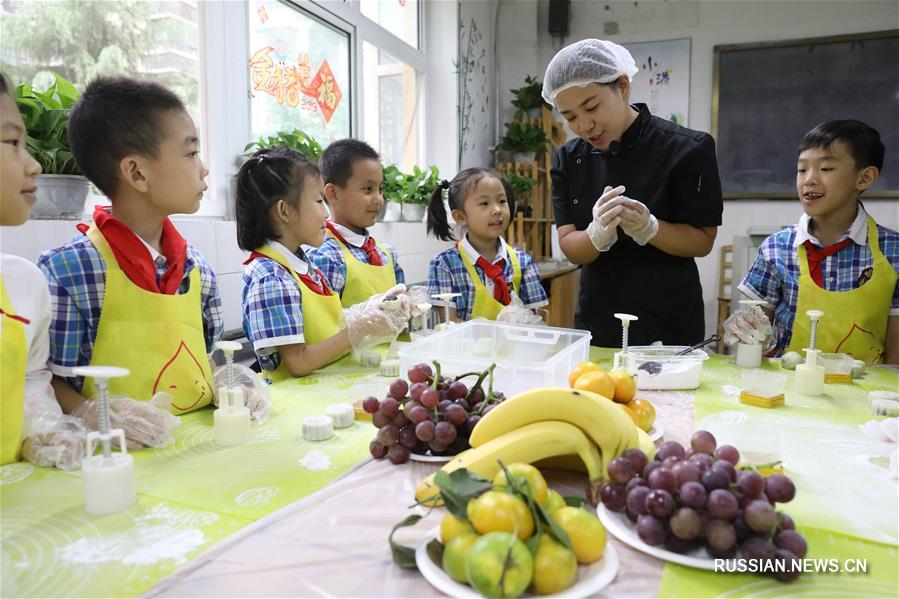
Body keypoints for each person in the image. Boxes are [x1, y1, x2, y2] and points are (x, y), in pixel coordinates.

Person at [37, 76, 219, 447]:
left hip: (201, 456)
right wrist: (91, 413)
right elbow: (45, 380)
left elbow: (203, 360)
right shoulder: (68, 274)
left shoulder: (197, 270)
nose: (204, 169)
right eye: (190, 153)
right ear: (137, 173)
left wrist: (229, 386)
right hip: (113, 462)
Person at [543, 39, 723, 346]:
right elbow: (570, 246)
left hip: (669, 323)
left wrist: (650, 228)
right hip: (599, 321)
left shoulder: (687, 149)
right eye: (570, 117)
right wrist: (596, 235)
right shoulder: (568, 159)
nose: (585, 125)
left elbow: (702, 240)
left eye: (592, 107)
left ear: (623, 87)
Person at [237, 147, 411, 380]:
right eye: (319, 202)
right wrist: (357, 331)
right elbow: (297, 362)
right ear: (284, 211)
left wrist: (369, 312)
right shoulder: (271, 276)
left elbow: (324, 329)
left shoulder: (303, 266)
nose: (326, 215)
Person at [737, 120, 898, 363]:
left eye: (825, 169)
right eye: (802, 170)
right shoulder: (776, 249)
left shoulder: (893, 251)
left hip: (866, 392)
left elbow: (895, 360)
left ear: (864, 178)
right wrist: (741, 330)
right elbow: (752, 339)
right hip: (788, 388)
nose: (808, 180)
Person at [1, 72, 87, 470]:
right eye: (12, 143)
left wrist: (44, 430)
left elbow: (31, 379)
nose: (34, 164)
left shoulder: (22, 283)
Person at [426, 168, 547, 322]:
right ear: (460, 217)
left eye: (502, 201)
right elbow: (450, 323)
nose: (497, 210)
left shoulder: (523, 263)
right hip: (464, 346)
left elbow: (536, 320)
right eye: (484, 203)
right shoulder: (445, 265)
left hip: (513, 345)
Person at [308, 139, 405, 307]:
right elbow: (325, 327)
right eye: (367, 189)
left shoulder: (387, 254)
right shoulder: (326, 257)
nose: (378, 199)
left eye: (380, 189)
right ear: (333, 194)